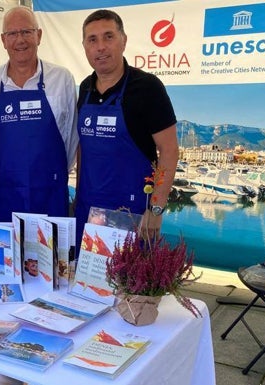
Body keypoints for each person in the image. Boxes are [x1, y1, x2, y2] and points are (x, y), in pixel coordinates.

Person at [75, 9, 179, 242]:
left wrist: (157, 210)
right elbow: (83, 147)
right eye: (92, 39)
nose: (100, 46)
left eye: (108, 36)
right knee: (85, 278)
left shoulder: (148, 88)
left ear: (123, 41)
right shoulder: (84, 89)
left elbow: (169, 150)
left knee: (129, 279)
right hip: (89, 211)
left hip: (134, 216)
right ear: (85, 47)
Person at [0, 6, 78, 222]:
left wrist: (52, 174)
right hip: (6, 194)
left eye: (26, 32)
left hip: (50, 193)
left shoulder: (62, 79)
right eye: (12, 34)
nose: (20, 40)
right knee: (8, 256)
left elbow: (72, 137)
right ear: (3, 40)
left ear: (38, 35)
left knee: (51, 256)